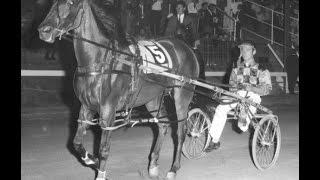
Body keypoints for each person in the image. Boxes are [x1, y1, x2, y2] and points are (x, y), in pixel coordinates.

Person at [205, 41, 272, 152]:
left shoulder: (262, 69)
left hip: (252, 97)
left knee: (242, 126)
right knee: (220, 109)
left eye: (248, 49)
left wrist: (252, 88)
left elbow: (267, 89)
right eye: (243, 50)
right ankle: (215, 141)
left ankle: (244, 118)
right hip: (237, 96)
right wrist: (233, 89)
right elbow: (231, 86)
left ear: (254, 51)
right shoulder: (236, 69)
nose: (244, 52)